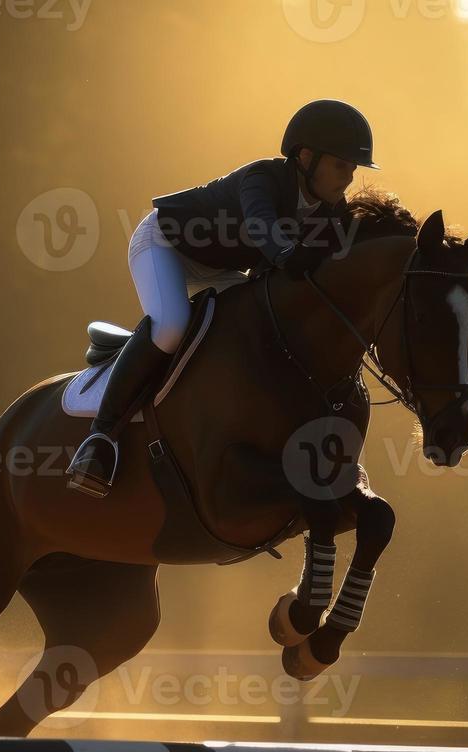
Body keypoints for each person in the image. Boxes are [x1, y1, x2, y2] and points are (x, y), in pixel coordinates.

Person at [65, 98, 379, 498]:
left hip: (218, 269)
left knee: (257, 330)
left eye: (352, 169)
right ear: (305, 156)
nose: (348, 178)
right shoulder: (262, 179)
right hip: (165, 244)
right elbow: (263, 227)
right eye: (341, 165)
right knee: (172, 325)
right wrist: (287, 254)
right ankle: (99, 440)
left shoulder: (332, 210)